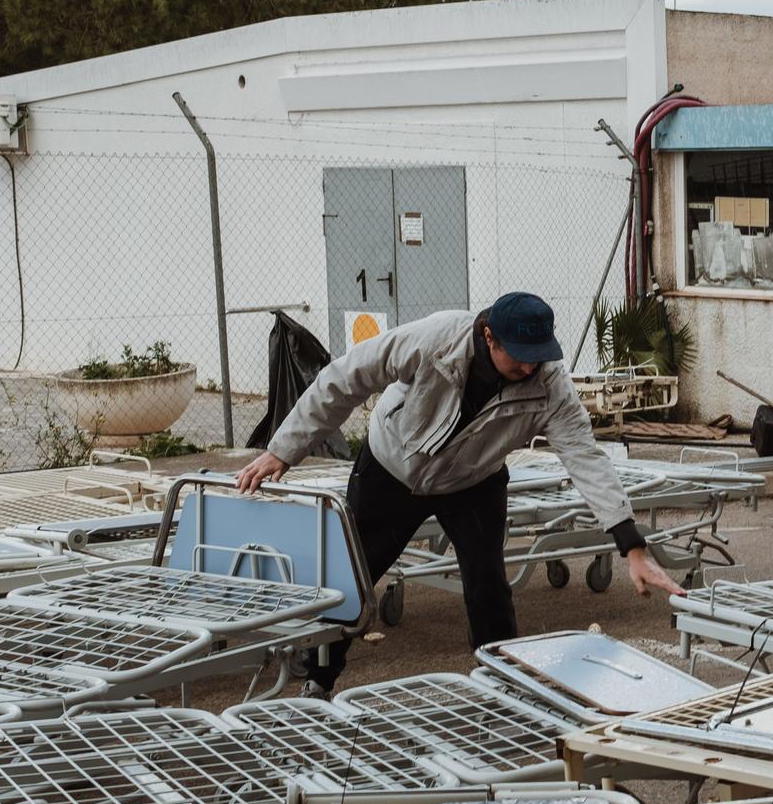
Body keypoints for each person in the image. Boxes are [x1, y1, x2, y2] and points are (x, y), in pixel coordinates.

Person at [234, 292, 683, 695]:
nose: (529, 368)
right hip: (394, 466)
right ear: (489, 337)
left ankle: (504, 686)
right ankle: (319, 677)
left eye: (538, 357)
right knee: (353, 579)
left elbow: (585, 457)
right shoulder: (435, 339)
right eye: (519, 357)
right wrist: (283, 450)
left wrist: (631, 544)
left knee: (489, 588)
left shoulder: (549, 386)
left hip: (474, 481)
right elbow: (346, 377)